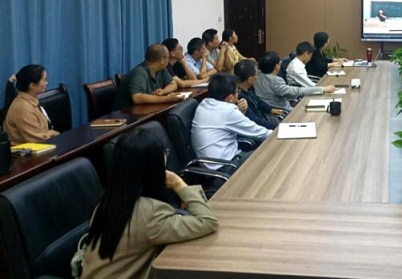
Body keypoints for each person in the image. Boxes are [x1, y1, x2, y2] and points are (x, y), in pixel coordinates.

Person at [81, 129, 218, 279]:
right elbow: (208, 221)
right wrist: (178, 184)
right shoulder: (150, 213)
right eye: (164, 154)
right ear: (153, 165)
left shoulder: (105, 202)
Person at [191, 73, 272, 170]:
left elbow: (226, 124)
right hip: (226, 166)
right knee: (270, 154)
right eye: (237, 91)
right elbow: (260, 133)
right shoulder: (228, 111)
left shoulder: (204, 104)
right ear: (230, 98)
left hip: (215, 163)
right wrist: (281, 133)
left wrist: (241, 113)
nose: (239, 94)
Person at [254, 51, 335, 112]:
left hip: (266, 111)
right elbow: (297, 91)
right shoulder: (276, 81)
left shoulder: (256, 76)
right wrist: (322, 89)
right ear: (277, 66)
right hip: (283, 111)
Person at [3, 65, 59, 144]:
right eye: (44, 80)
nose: (47, 83)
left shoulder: (31, 101)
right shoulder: (22, 108)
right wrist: (55, 134)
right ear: (32, 85)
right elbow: (37, 139)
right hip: (30, 151)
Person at [114, 44, 182, 110]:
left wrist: (163, 91)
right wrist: (167, 99)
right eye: (168, 57)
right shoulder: (140, 72)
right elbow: (137, 97)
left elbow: (173, 84)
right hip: (127, 113)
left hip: (146, 109)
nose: (169, 60)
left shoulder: (161, 69)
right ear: (162, 59)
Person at [235, 59, 284, 129]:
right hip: (260, 128)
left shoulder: (248, 87)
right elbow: (255, 121)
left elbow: (258, 101)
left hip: (264, 119)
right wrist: (277, 126)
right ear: (249, 79)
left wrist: (271, 109)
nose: (258, 76)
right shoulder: (240, 98)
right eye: (257, 74)